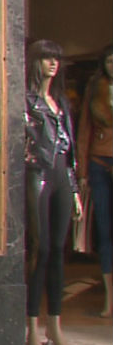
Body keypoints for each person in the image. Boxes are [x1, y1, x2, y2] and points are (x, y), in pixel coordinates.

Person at [23, 39, 82, 345]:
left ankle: (55, 326)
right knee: (41, 249)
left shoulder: (60, 101)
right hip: (38, 174)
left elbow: (69, 148)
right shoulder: (27, 102)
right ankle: (32, 326)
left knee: (59, 250)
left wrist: (74, 190)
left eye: (56, 58)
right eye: (46, 58)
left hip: (61, 175)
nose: (52, 63)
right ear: (35, 62)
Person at [76, 43, 113, 318]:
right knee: (104, 229)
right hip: (100, 163)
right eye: (109, 62)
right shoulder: (94, 89)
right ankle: (109, 299)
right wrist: (83, 172)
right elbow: (85, 130)